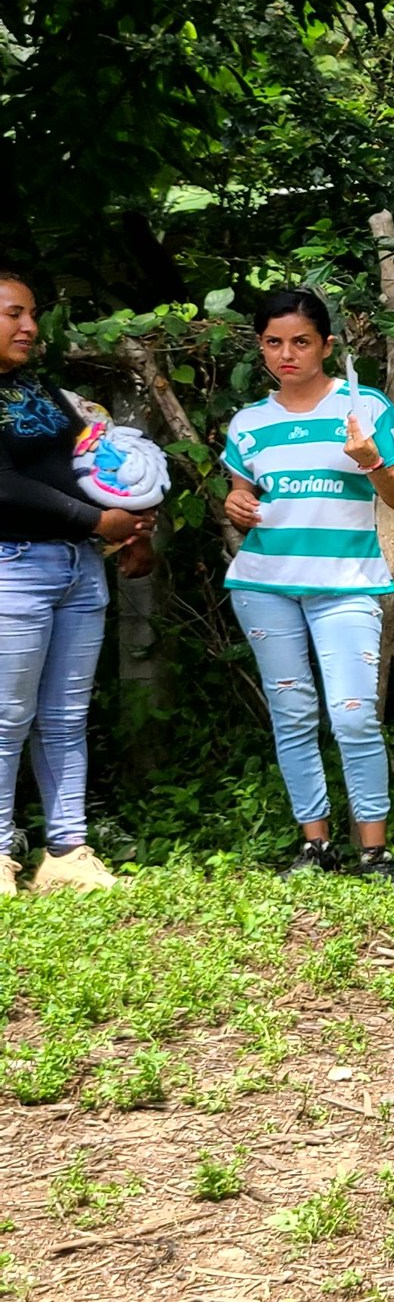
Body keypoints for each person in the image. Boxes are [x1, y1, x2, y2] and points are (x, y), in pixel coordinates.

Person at [221, 288, 394, 879]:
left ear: (326, 346)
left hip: (347, 584)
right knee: (292, 713)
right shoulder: (249, 423)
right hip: (264, 584)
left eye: (301, 341)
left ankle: (375, 850)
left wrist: (369, 459)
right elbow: (243, 494)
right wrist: (236, 500)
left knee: (354, 713)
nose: (288, 354)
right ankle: (315, 845)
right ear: (261, 346)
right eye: (274, 342)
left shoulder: (366, 408)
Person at [0, 270, 154, 896]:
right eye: (13, 314)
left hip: (77, 568)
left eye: (31, 314)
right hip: (12, 568)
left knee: (65, 716)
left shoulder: (42, 391)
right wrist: (99, 520)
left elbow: (96, 464)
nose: (29, 327)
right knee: (6, 715)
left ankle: (66, 852)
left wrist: (131, 530)